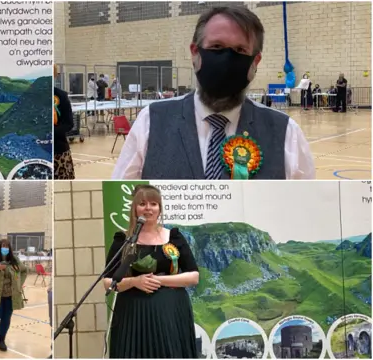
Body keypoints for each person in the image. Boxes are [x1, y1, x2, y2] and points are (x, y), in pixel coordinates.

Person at [112, 6, 315, 180]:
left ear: (255, 62)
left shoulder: (286, 133)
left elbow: (305, 213)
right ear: (195, 53)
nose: (227, 59)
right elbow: (121, 205)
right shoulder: (151, 122)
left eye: (240, 51)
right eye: (217, 47)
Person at [103, 185, 199, 358]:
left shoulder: (174, 237)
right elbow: (107, 281)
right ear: (134, 209)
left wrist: (159, 280)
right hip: (132, 314)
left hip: (169, 312)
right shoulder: (123, 241)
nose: (148, 208)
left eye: (153, 204)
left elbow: (193, 276)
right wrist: (134, 282)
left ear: (159, 209)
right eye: (142, 203)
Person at [54, 64, 76, 180]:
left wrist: (51, 133)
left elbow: (69, 123)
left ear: (55, 76)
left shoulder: (61, 96)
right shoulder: (30, 95)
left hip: (58, 152)